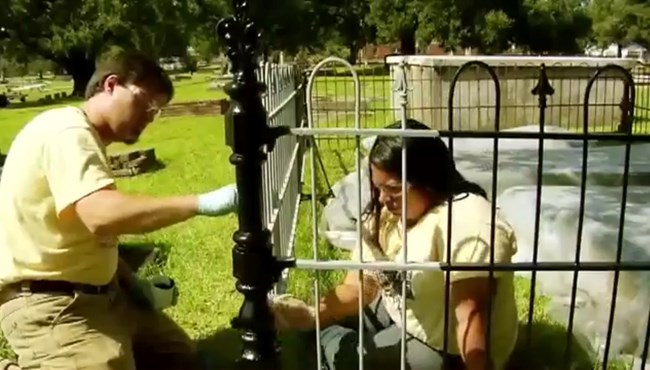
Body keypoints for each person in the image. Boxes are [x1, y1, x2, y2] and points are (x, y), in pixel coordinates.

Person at [0, 50, 239, 370]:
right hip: (52, 306)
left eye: (158, 111)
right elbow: (102, 216)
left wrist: (133, 284)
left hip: (108, 297)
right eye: (147, 103)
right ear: (111, 85)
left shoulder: (83, 138)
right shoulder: (67, 131)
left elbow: (86, 235)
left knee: (181, 359)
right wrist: (200, 203)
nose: (151, 116)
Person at [270, 119, 520, 370]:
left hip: (446, 349)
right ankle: (322, 337)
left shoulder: (467, 223)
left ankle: (327, 345)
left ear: (428, 179)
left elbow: (470, 319)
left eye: (393, 189)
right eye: (378, 188)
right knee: (311, 322)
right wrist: (311, 314)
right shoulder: (387, 214)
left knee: (349, 358)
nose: (382, 199)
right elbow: (361, 286)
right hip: (406, 310)